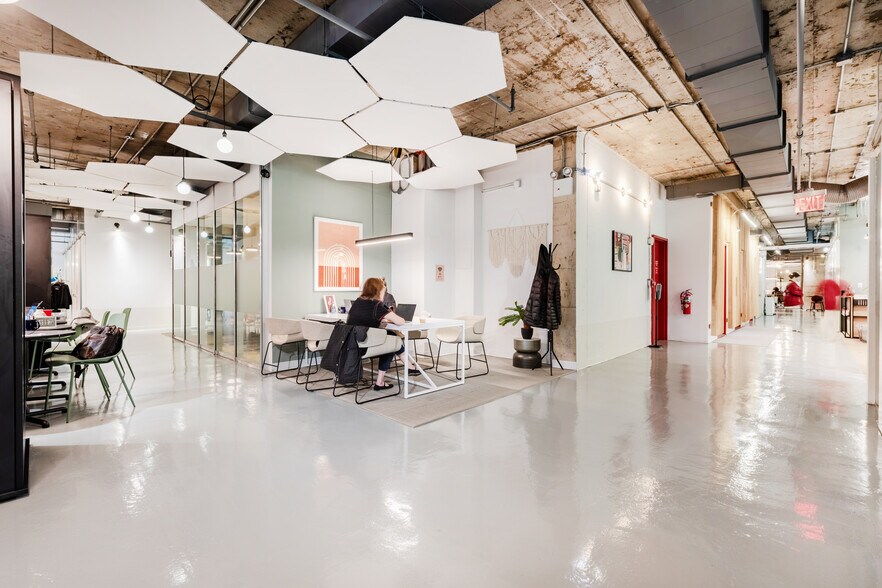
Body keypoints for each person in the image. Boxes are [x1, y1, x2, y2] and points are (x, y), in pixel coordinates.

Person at [347, 277, 419, 391]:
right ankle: (382, 381)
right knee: (391, 342)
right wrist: (386, 317)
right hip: (365, 347)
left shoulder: (358, 302)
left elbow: (364, 322)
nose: (383, 294)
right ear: (378, 291)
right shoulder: (377, 305)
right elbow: (401, 321)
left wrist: (380, 321)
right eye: (383, 291)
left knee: (390, 337)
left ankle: (409, 366)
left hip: (353, 345)